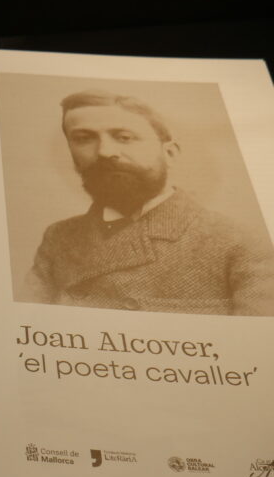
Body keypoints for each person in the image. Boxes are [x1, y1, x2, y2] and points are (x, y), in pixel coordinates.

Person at [23, 90, 274, 316]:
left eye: (124, 137)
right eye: (84, 138)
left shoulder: (239, 243)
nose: (104, 152)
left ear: (170, 153)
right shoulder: (59, 238)